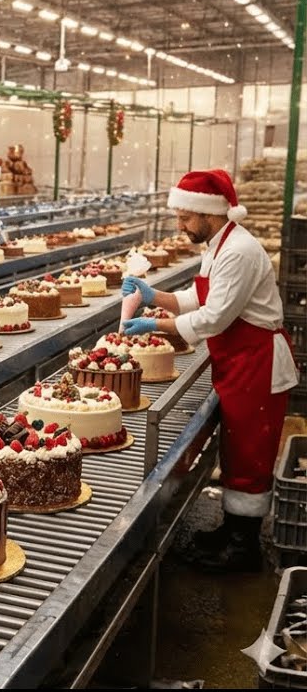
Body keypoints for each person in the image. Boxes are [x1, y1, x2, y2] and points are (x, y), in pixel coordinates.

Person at [121, 169, 298, 571]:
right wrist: (155, 296)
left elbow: (213, 318)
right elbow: (197, 297)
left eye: (185, 217)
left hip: (258, 363)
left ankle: (244, 548)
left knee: (251, 451)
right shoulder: (219, 245)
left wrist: (154, 325)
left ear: (209, 213)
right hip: (239, 361)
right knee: (236, 447)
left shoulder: (238, 251)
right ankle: (233, 529)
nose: (180, 225)